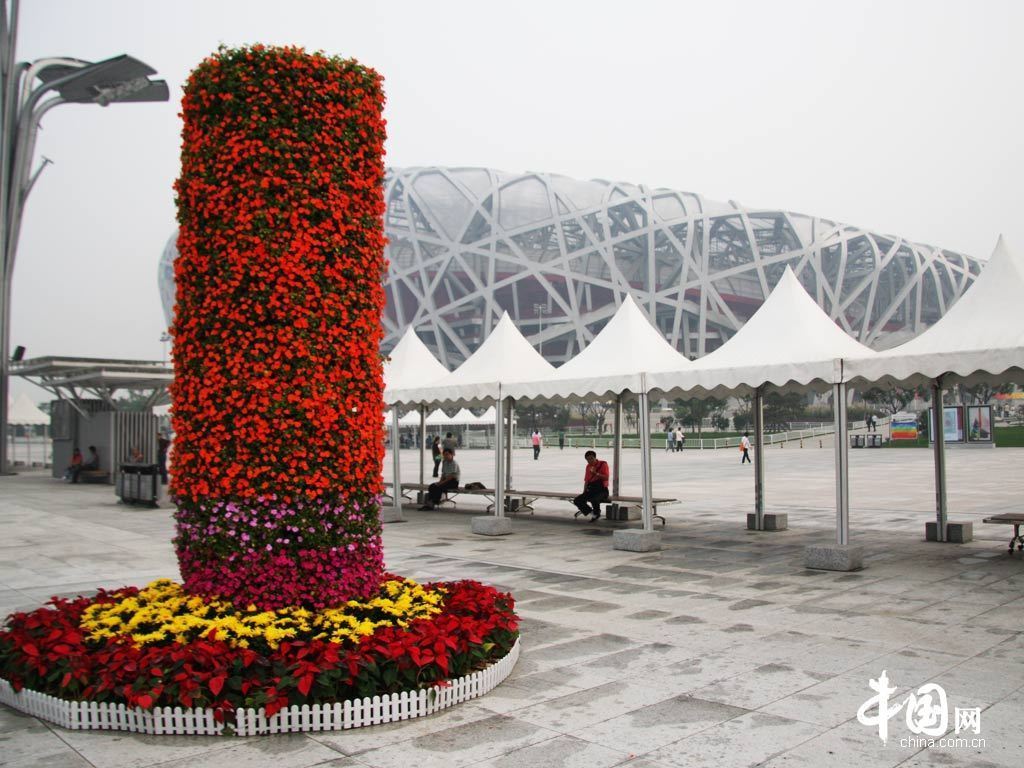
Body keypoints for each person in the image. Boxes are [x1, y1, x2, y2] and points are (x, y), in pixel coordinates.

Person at [573, 450, 610, 521]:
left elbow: (606, 478)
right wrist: (584, 492)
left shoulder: (603, 464)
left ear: (595, 457)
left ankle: (596, 513)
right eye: (588, 459)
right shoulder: (588, 466)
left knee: (594, 499)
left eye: (591, 458)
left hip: (602, 490)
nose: (590, 461)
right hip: (591, 489)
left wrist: (596, 473)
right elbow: (587, 480)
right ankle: (593, 513)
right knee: (577, 500)